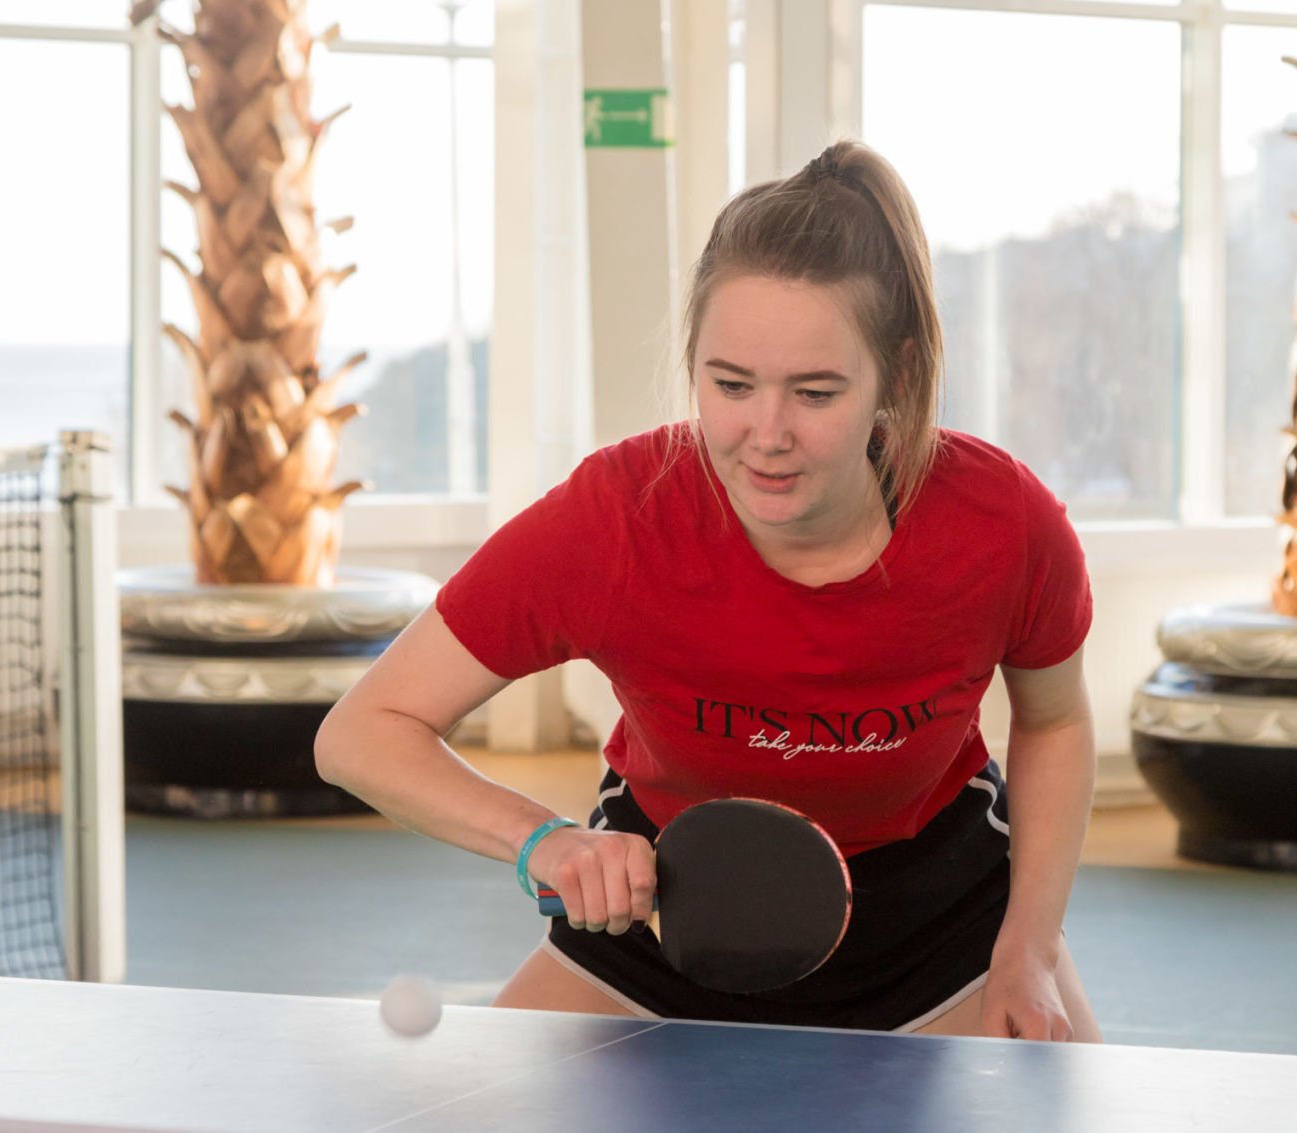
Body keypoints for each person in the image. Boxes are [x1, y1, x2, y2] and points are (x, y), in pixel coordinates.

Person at [315, 139, 1102, 1042]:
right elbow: (362, 733)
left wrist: (1030, 948)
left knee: (1066, 1096)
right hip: (667, 911)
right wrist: (546, 841)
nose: (766, 433)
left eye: (815, 393)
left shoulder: (1002, 524)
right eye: (730, 384)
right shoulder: (618, 519)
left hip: (942, 927)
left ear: (898, 372)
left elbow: (1055, 722)